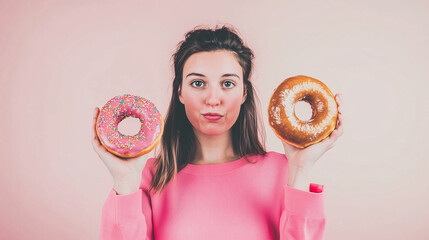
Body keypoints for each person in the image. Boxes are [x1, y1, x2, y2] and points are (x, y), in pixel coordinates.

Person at [92, 24, 344, 240]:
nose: (213, 99)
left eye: (227, 83)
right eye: (198, 83)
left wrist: (300, 169)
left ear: (244, 92)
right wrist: (125, 182)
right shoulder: (148, 177)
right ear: (180, 92)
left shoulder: (284, 172)